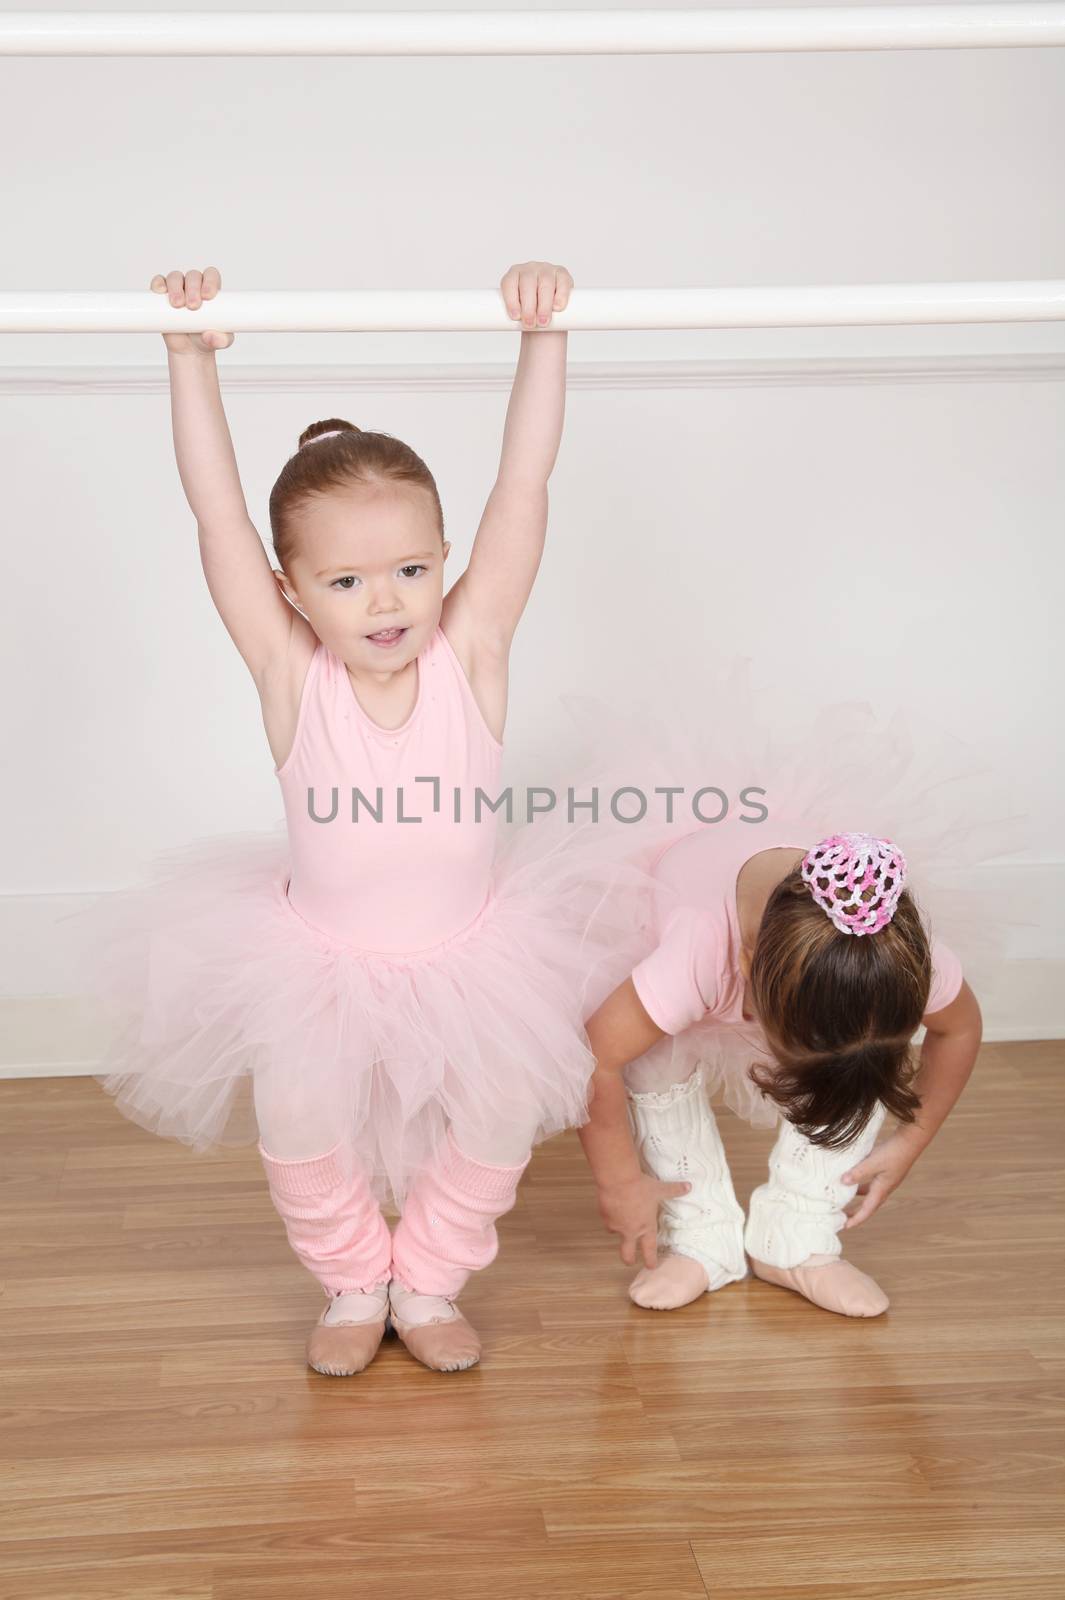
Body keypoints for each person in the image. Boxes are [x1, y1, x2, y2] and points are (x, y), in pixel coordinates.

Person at [65, 260, 672, 1376]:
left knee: (494, 1111)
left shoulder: (470, 653)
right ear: (292, 593)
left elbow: (521, 489)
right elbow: (216, 515)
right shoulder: (291, 675)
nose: (384, 600)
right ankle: (353, 1280)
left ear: (444, 563)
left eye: (407, 568)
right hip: (320, 955)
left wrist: (545, 337)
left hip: (473, 950)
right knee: (299, 1109)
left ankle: (429, 1278)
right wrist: (186, 355)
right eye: (344, 583)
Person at [567, 674, 1023, 1319]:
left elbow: (960, 1029)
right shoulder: (695, 951)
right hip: (681, 905)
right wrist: (621, 1182)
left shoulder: (897, 959)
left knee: (853, 1067)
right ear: (749, 974)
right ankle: (702, 1238)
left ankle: (797, 1239)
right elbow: (600, 1057)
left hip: (799, 969)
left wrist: (909, 1141)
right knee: (654, 1059)